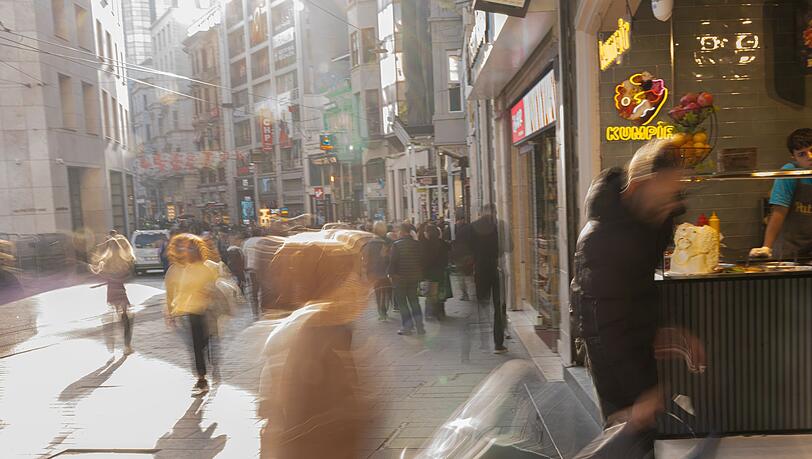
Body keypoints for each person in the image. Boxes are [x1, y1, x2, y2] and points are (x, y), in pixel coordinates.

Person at [571, 139, 705, 456]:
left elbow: (640, 292)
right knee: (628, 444)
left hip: (632, 348)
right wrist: (640, 394)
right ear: (644, 183)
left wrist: (667, 330)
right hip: (614, 361)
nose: (672, 203)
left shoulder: (643, 225)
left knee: (639, 442)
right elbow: (604, 323)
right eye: (668, 191)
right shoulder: (604, 238)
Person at [164, 233, 219, 396]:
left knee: (207, 342)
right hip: (191, 312)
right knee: (196, 345)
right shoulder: (182, 270)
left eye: (191, 249)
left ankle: (210, 366)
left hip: (207, 311)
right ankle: (202, 378)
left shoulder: (207, 268)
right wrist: (171, 312)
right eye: (187, 249)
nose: (188, 252)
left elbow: (215, 287)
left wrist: (207, 292)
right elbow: (174, 291)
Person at [751, 128, 812, 260]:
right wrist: (767, 247)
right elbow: (779, 211)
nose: (810, 157)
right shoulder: (789, 173)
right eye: (802, 154)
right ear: (794, 157)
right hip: (789, 251)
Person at [461, 204, 507, 354]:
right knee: (497, 306)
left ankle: (483, 341)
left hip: (480, 270)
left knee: (482, 305)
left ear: (480, 213)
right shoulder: (500, 226)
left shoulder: (471, 228)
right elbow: (509, 246)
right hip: (496, 269)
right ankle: (498, 343)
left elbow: (464, 248)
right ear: (494, 212)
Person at [90, 234, 136, 355]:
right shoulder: (123, 260)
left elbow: (101, 275)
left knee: (113, 315)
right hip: (121, 291)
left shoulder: (105, 262)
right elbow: (128, 275)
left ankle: (111, 341)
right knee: (125, 318)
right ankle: (127, 346)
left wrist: (95, 269)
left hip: (111, 292)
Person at [388, 223, 425, 335]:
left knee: (402, 303)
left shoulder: (396, 245)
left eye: (399, 230)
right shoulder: (417, 244)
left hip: (400, 278)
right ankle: (420, 327)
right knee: (414, 302)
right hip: (414, 277)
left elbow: (393, 262)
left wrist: (391, 274)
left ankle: (407, 327)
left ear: (403, 231)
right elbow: (421, 260)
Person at [420, 223, 450, 320]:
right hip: (441, 272)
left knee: (430, 294)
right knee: (440, 293)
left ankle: (430, 314)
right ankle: (440, 312)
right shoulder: (443, 243)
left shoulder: (425, 245)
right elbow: (448, 257)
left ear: (428, 233)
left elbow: (424, 260)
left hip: (430, 273)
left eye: (425, 232)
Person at [365, 221, 392, 320]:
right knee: (385, 291)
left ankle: (381, 312)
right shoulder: (389, 242)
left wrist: (367, 272)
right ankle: (384, 310)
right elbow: (392, 257)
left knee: (378, 292)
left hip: (374, 271)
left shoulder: (370, 243)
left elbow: (367, 258)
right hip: (386, 270)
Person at [242, 228, 263, 318]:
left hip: (251, 269)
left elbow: (243, 255)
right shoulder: (263, 241)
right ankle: (264, 310)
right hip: (262, 269)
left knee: (254, 291)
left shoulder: (246, 242)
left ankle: (255, 313)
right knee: (264, 291)